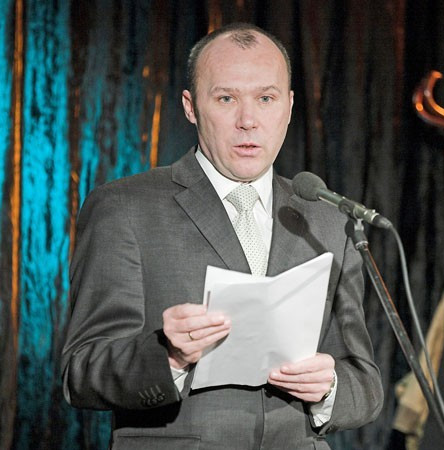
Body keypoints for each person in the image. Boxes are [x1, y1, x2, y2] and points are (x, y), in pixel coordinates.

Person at [61, 22, 383, 449]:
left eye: (265, 99)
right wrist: (169, 356)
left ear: (288, 106)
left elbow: (365, 383)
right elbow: (82, 371)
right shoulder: (125, 207)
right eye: (226, 98)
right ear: (191, 107)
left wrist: (330, 387)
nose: (248, 121)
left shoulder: (327, 219)